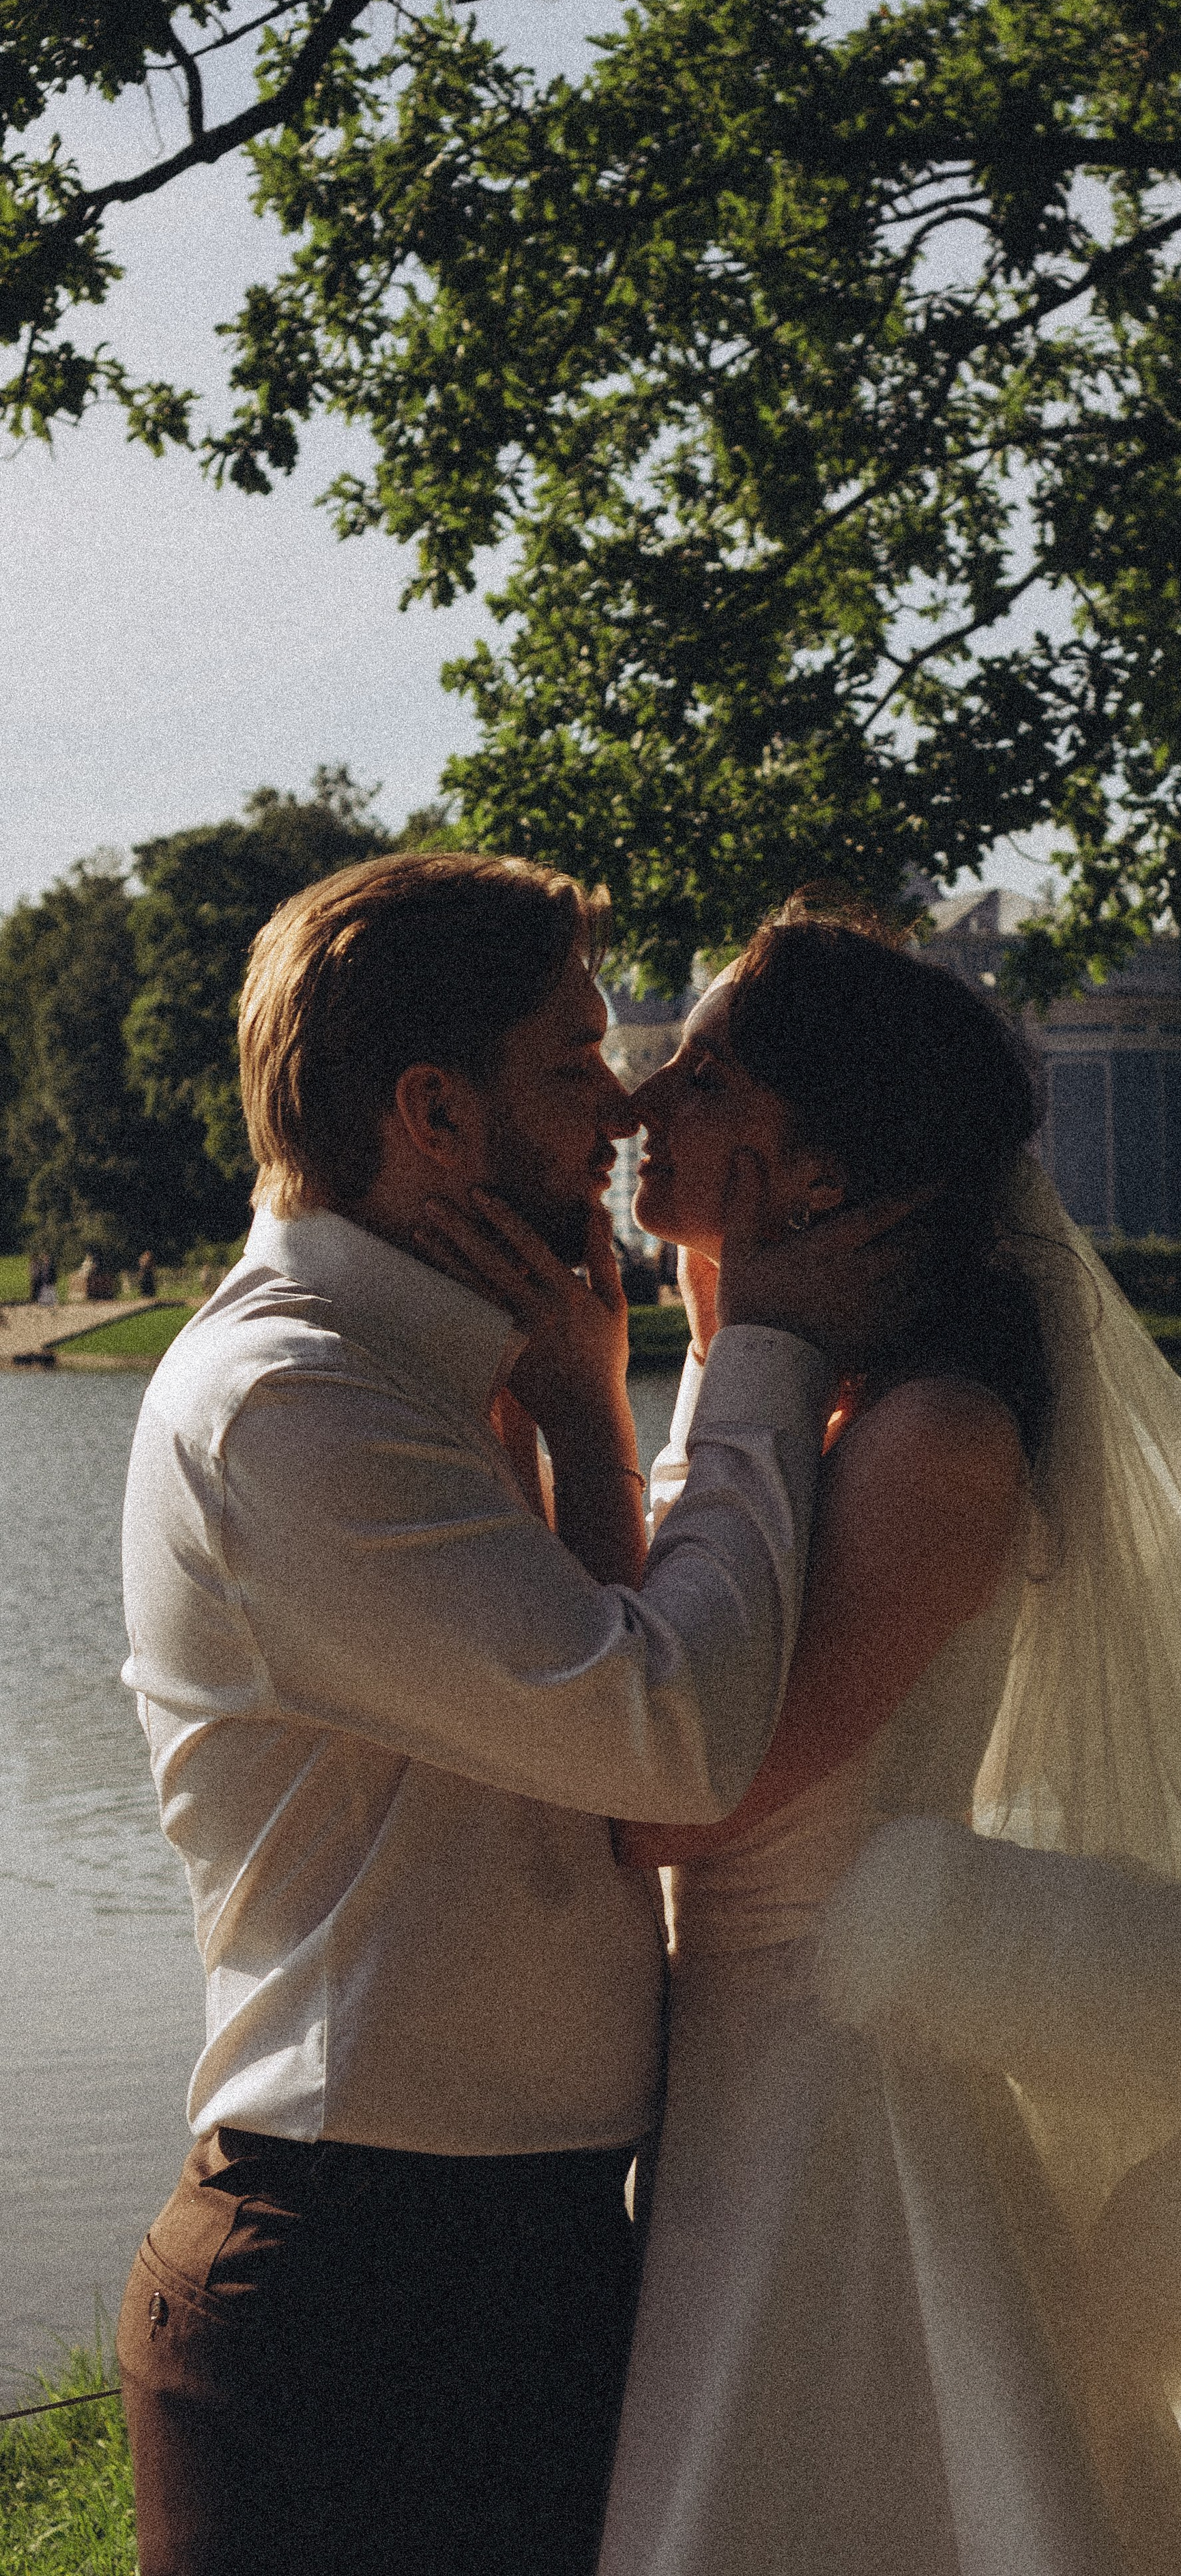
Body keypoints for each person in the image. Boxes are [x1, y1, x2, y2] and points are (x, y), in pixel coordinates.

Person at [451, 895, 1181, 2576]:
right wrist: (695, 1360)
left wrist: (596, 1414)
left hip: (841, 2110)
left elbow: (675, 1805)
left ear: (815, 1165)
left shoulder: (931, 1439)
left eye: (694, 1073)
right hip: (746, 2079)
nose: (635, 1101)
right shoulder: (808, 1397)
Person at [115, 853, 917, 2576]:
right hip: (357, 2298)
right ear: (433, 1113)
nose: (625, 1105)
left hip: (515, 2255)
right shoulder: (295, 1406)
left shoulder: (440, 1371)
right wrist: (761, 1349)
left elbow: (604, 1720)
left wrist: (584, 1417)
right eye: (573, 1064)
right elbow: (671, 1737)